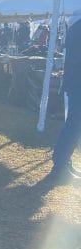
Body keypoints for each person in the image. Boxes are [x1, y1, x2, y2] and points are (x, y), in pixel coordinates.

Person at [44, 11, 81, 186]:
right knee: (74, 125)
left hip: (75, 80)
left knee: (73, 124)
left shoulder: (75, 23)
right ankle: (60, 168)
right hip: (78, 80)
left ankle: (62, 162)